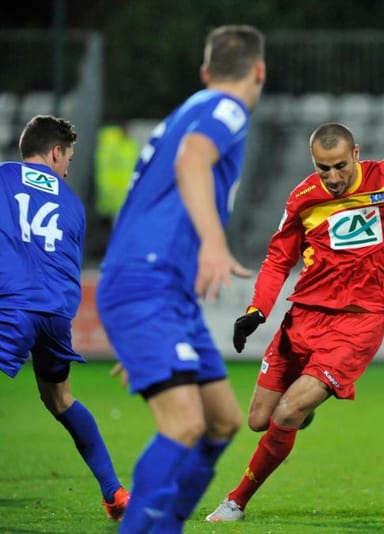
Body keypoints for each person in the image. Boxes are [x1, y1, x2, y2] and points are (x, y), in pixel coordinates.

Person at [205, 122, 384, 522]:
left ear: (356, 154)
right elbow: (279, 258)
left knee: (284, 416)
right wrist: (257, 311)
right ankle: (304, 410)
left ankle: (236, 501)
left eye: (338, 166)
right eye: (323, 168)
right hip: (302, 320)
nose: (332, 178)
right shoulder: (303, 197)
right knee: (258, 420)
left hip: (356, 325)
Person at [95, 25, 266, 533]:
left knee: (222, 422)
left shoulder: (187, 108)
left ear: (205, 70)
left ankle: (164, 526)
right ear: (259, 71)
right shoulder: (225, 109)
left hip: (163, 292)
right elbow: (193, 159)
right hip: (147, 285)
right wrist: (215, 244)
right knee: (185, 424)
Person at [0, 114, 129, 520]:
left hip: (11, 304)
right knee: (60, 399)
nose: (68, 167)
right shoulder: (72, 203)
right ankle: (114, 493)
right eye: (68, 158)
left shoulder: (3, 177)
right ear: (55, 152)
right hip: (56, 313)